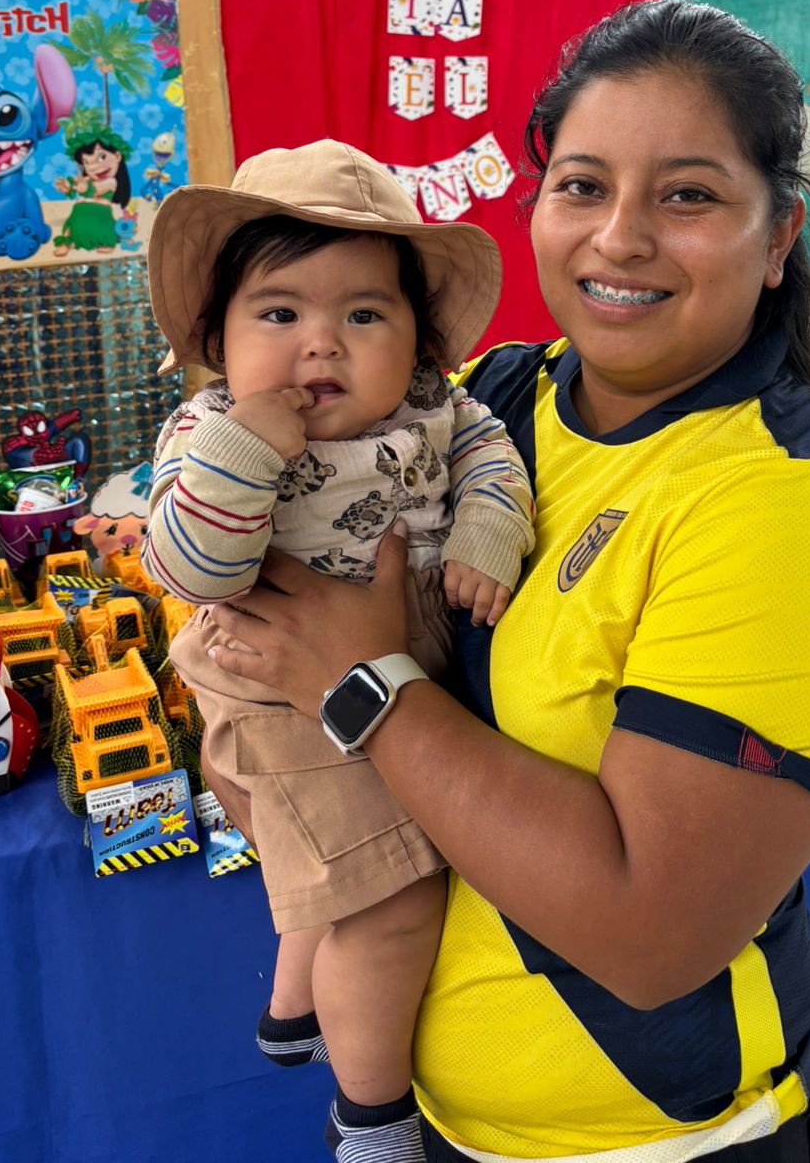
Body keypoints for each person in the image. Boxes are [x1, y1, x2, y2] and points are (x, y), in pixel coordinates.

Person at [201, 0, 810, 1163]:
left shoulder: (793, 519)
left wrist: (360, 682)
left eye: (687, 196)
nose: (620, 238)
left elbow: (651, 935)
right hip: (453, 1125)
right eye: (583, 185)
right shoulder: (497, 397)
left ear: (778, 234)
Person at [141, 143, 535, 1116]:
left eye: (363, 314)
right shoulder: (209, 434)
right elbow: (189, 570)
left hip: (396, 665)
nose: (321, 345)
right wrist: (245, 453)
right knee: (391, 894)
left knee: (340, 862)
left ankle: (293, 1012)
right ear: (218, 338)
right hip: (286, 697)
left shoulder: (437, 407)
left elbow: (489, 452)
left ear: (419, 342)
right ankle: (371, 1114)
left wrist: (490, 524)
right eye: (279, 314)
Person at [53, 110, 131, 254]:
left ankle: (107, 242)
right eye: (87, 163)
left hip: (100, 214)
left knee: (102, 230)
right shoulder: (87, 179)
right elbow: (77, 185)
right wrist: (68, 186)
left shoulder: (111, 182)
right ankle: (67, 242)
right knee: (72, 223)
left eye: (101, 157)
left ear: (117, 156)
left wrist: (83, 188)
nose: (94, 167)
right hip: (80, 213)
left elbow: (94, 189)